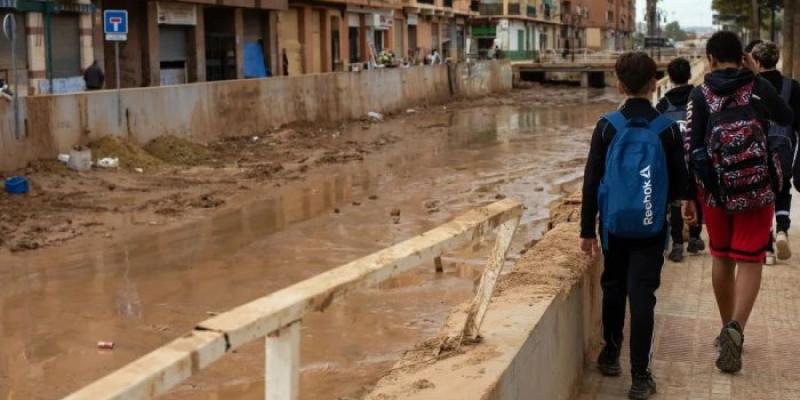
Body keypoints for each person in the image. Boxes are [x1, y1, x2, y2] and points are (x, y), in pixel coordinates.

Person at [683, 31, 793, 374]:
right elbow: (786, 117)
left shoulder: (699, 93)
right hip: (757, 188)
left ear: (710, 59)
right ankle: (737, 328)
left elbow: (691, 146)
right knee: (750, 258)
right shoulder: (757, 87)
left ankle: (724, 327)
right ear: (743, 56)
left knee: (722, 256)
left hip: (715, 190)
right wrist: (756, 76)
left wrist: (690, 196)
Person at [581, 52, 688, 400]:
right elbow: (678, 185)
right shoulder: (667, 129)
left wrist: (586, 231)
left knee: (613, 286)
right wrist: (681, 213)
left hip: (612, 227)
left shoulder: (607, 125)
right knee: (643, 297)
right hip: (651, 228)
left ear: (618, 84)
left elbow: (591, 180)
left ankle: (610, 354)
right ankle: (640, 377)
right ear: (655, 83)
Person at [747, 41, 800, 264]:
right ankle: (782, 230)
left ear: (756, 62)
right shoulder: (792, 86)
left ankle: (766, 248)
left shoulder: (750, 86)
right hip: (784, 148)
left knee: (761, 195)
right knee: (782, 188)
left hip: (755, 149)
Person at [656, 57, 706, 262]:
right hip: (696, 158)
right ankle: (694, 238)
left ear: (670, 77)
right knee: (697, 197)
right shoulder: (700, 98)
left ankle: (677, 244)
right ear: (688, 75)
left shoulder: (662, 105)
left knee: (675, 201)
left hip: (672, 162)